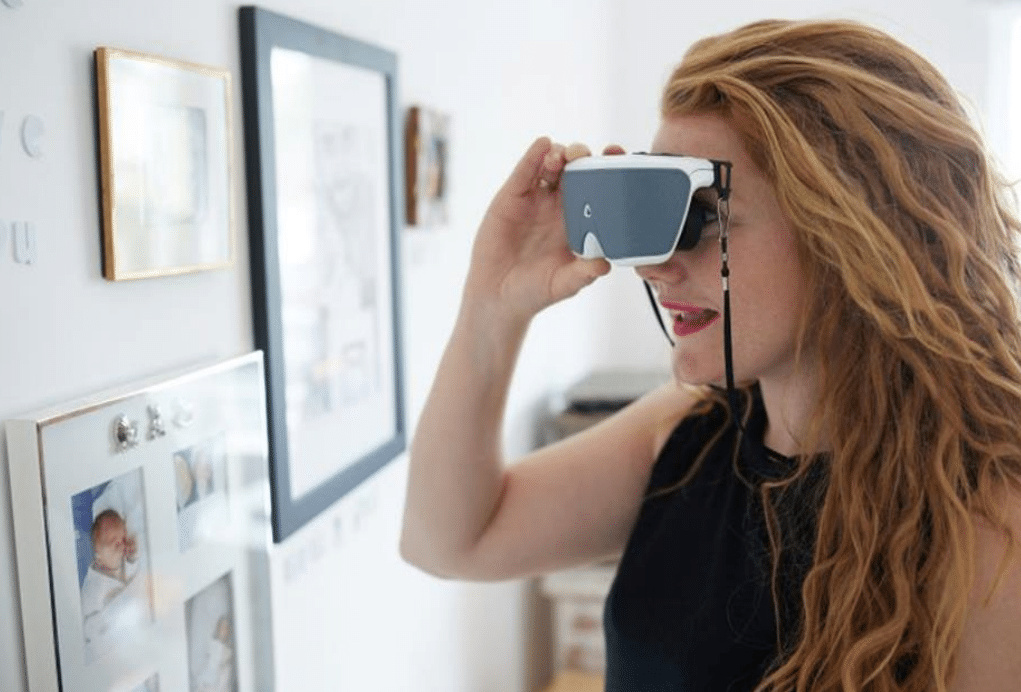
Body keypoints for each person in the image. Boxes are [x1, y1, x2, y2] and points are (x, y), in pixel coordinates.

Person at [400, 18, 1021, 692]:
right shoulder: (690, 430)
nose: (656, 267)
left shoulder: (989, 522)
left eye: (704, 218)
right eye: (657, 215)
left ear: (854, 231)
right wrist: (492, 305)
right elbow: (449, 540)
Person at [80, 508, 143, 660]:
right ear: (97, 553)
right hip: (109, 650)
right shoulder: (92, 590)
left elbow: (132, 572)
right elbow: (90, 631)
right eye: (113, 543)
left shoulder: (121, 562)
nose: (121, 546)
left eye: (122, 540)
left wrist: (133, 556)